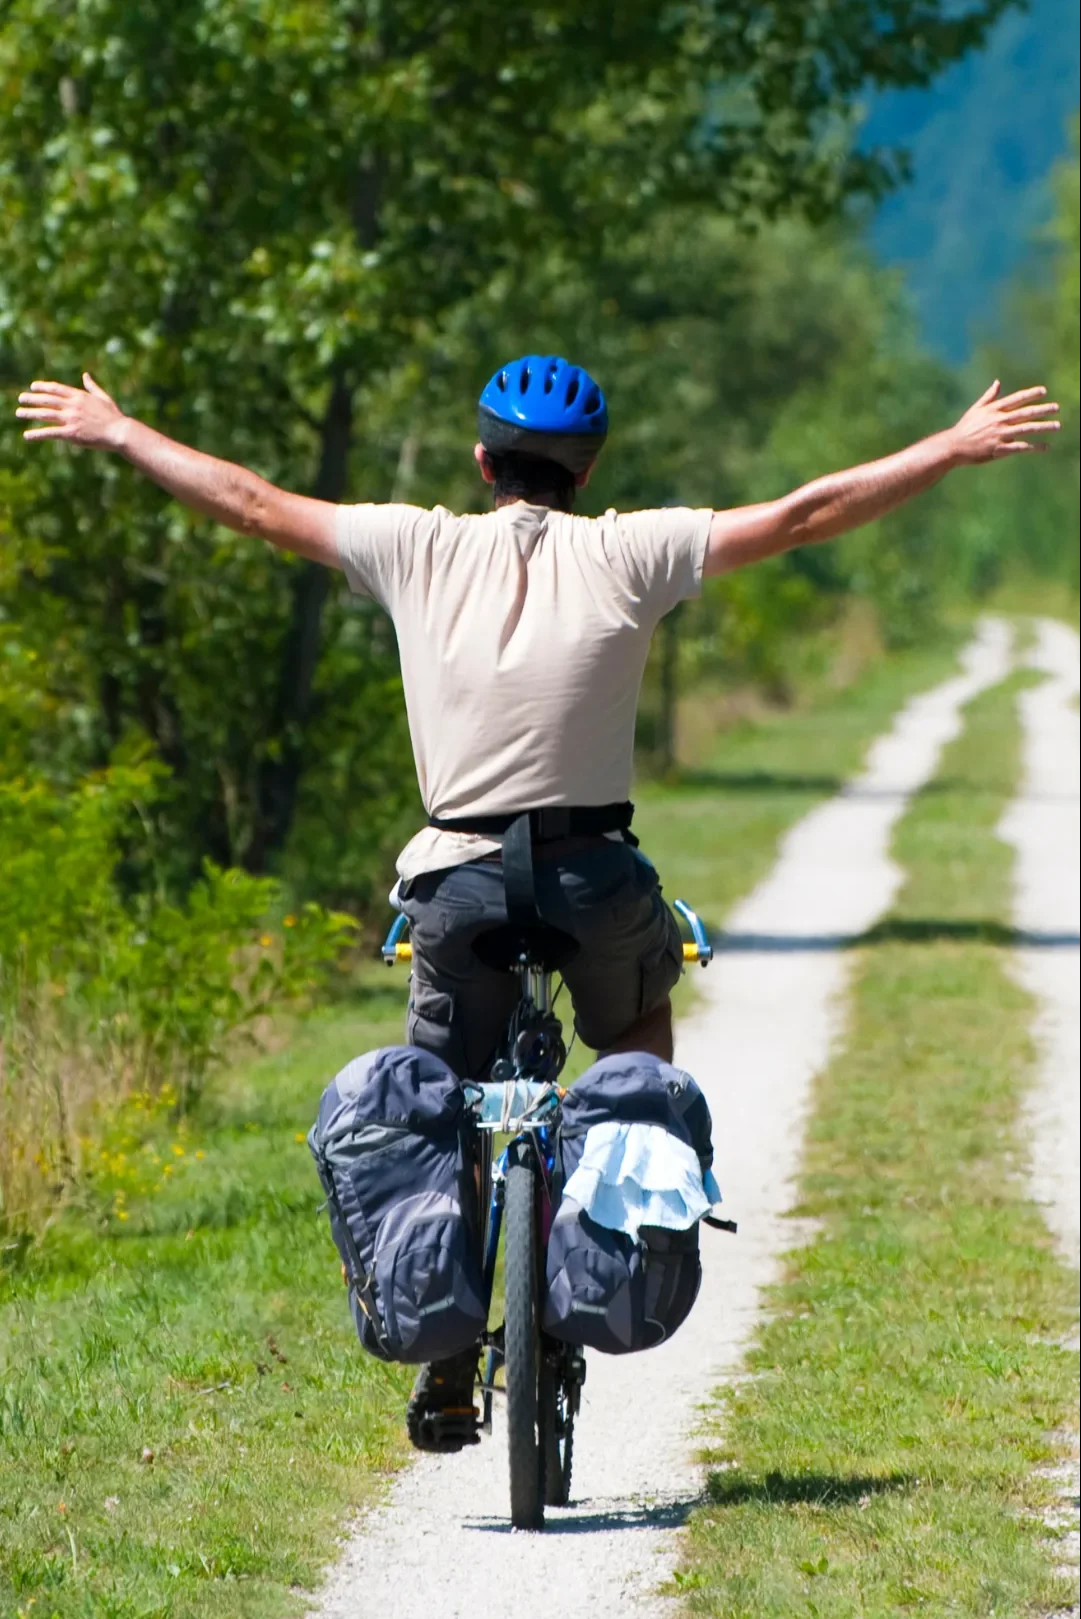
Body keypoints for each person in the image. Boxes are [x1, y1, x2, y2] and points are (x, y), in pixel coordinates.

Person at [16, 356, 1059, 1447]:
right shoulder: (631, 548)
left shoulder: (414, 544)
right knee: (636, 1052)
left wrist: (122, 429)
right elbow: (805, 513)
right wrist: (946, 445)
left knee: (448, 1097)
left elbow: (251, 501)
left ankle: (450, 1367)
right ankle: (598, 1247)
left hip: (455, 886)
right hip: (595, 876)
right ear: (591, 466)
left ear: (481, 460)